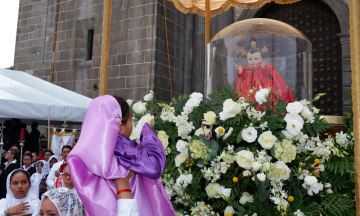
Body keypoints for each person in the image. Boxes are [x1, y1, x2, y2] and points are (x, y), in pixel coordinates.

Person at [67, 95, 175, 216]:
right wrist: (149, 137)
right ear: (121, 127)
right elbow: (154, 166)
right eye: (131, 119)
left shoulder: (88, 157)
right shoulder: (126, 150)